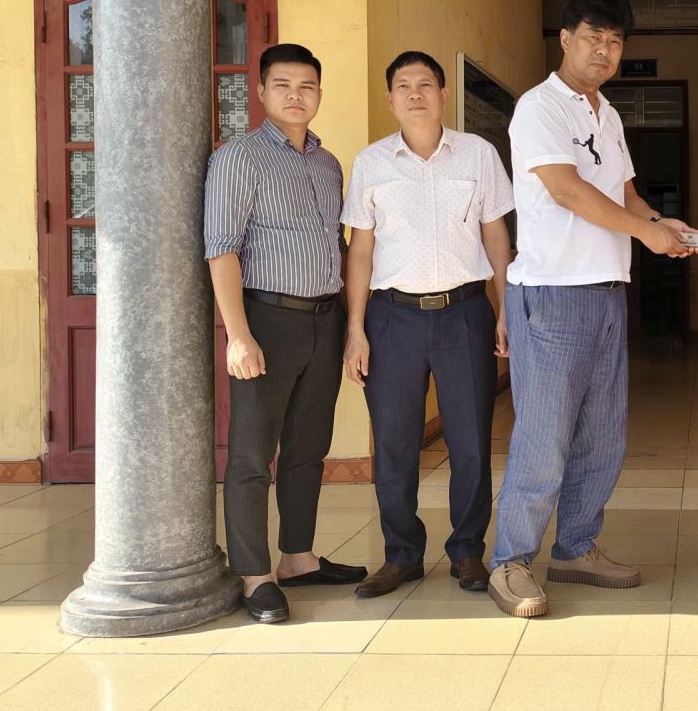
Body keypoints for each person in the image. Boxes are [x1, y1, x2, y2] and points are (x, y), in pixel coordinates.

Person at [487, 0, 698, 618]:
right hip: (552, 293)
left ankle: (576, 547)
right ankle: (511, 560)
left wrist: (663, 225)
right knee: (544, 434)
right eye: (592, 38)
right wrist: (645, 234)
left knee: (602, 435)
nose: (603, 51)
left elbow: (625, 193)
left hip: (607, 292)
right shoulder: (539, 107)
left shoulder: (607, 114)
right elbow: (567, 191)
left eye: (614, 42)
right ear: (565, 39)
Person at [203, 42, 367, 624]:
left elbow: (338, 247)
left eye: (307, 86)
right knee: (252, 454)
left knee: (307, 449)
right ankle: (255, 574)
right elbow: (221, 249)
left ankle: (298, 557)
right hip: (266, 319)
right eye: (283, 85)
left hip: (325, 319)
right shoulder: (238, 158)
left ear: (319, 93)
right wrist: (238, 335)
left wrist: (351, 325)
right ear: (261, 91)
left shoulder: (328, 164)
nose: (296, 96)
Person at [340, 50, 514, 598]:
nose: (414, 94)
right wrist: (356, 329)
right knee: (394, 442)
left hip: (466, 313)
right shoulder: (371, 163)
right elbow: (360, 250)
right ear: (390, 98)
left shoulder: (479, 154)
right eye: (403, 86)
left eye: (424, 84)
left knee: (470, 440)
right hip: (392, 318)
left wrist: (506, 309)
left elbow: (496, 236)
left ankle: (467, 551)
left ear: (443, 94)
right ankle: (401, 555)